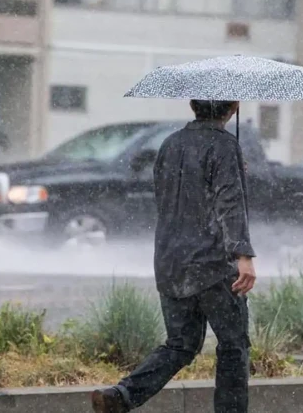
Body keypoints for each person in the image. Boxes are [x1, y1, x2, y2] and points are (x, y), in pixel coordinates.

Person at [91, 100, 257, 413]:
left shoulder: (170, 143)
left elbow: (173, 195)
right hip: (212, 264)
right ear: (234, 107)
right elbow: (228, 202)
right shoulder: (223, 145)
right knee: (234, 347)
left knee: (181, 344)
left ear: (193, 105)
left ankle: (122, 395)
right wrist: (242, 254)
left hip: (170, 260)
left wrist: (233, 167)